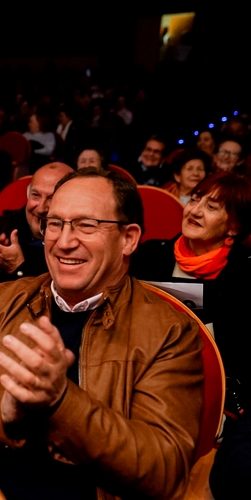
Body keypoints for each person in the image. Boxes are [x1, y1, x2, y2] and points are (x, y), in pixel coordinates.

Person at [0, 167, 204, 499]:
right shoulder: (3, 300)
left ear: (128, 239)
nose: (64, 242)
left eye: (86, 225)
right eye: (55, 223)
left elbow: (164, 471)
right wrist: (6, 408)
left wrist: (61, 401)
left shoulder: (169, 331)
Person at [128, 172, 251, 499]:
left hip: (214, 402)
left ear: (233, 227)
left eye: (212, 207)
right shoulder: (151, 255)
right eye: (195, 199)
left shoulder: (245, 274)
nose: (195, 210)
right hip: (142, 383)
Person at [0, 162, 73, 285]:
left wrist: (18, 267)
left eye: (52, 198)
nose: (41, 208)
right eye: (36, 195)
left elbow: (62, 295)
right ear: (28, 195)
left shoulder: (74, 245)